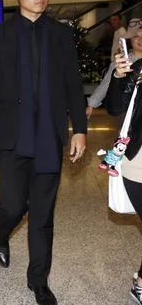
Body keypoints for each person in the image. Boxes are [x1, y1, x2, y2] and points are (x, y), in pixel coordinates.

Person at [0, 0, 87, 305]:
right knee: (12, 205)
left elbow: (72, 85)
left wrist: (79, 129)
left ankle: (39, 281)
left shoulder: (62, 34)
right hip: (12, 135)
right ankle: (0, 230)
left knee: (42, 212)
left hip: (49, 136)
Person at [107, 28, 142, 305]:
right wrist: (120, 76)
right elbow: (114, 107)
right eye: (139, 30)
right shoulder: (131, 68)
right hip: (137, 158)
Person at [86, 18, 142, 119]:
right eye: (136, 36)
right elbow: (106, 83)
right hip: (127, 113)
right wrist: (92, 104)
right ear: (130, 39)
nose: (141, 40)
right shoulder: (121, 61)